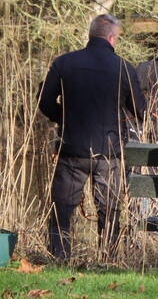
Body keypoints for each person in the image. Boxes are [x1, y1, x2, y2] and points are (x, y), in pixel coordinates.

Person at [38, 14, 147, 261]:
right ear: (111, 38)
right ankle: (108, 258)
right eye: (118, 38)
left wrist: (64, 120)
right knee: (109, 210)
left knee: (62, 209)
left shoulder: (64, 63)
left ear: (91, 34)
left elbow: (44, 101)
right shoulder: (124, 68)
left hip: (72, 148)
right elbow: (140, 110)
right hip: (109, 151)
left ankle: (60, 257)